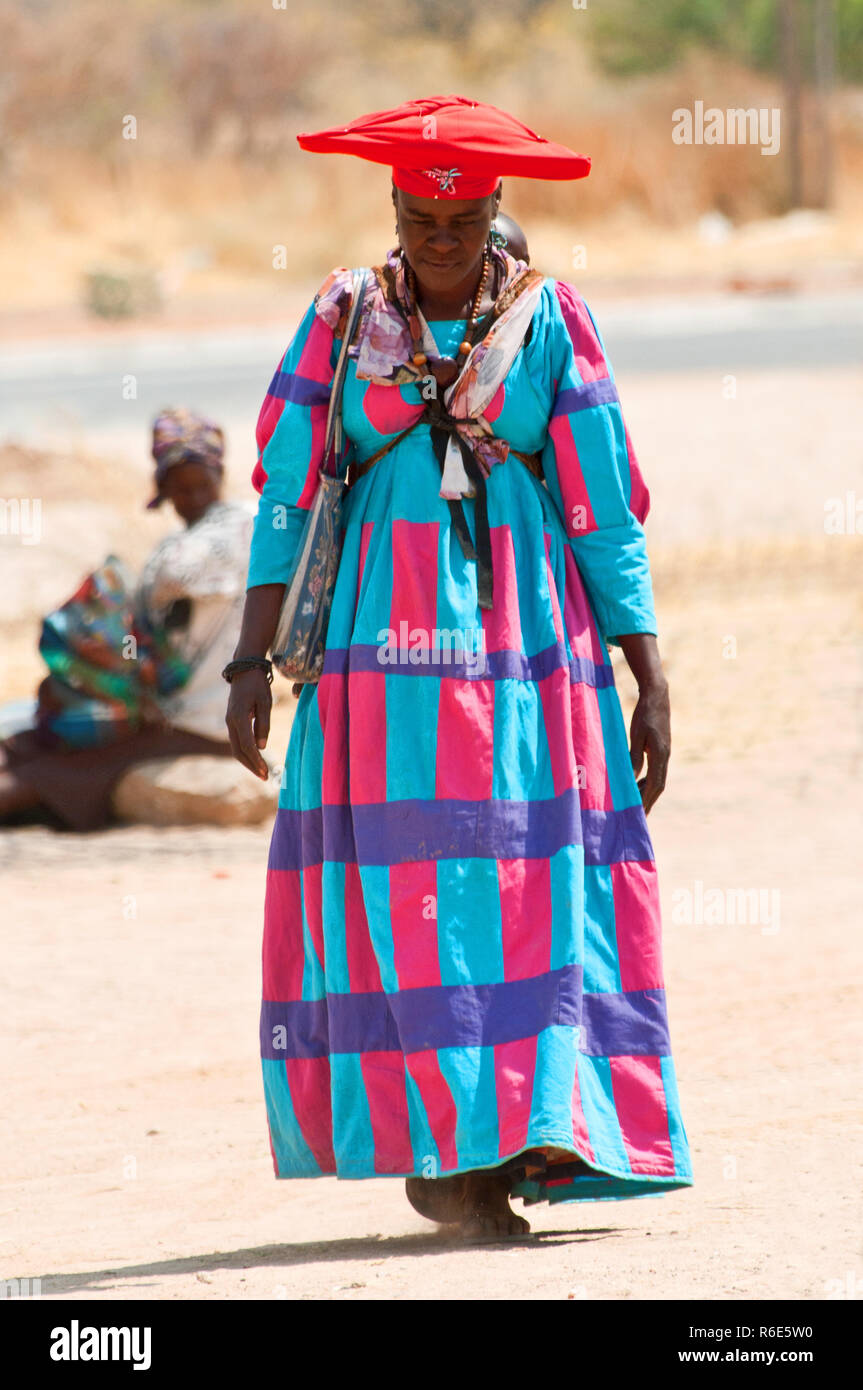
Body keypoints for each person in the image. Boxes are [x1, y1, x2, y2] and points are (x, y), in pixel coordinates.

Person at [225, 96, 692, 1240]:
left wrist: (648, 666)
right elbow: (286, 489)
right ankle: (449, 1156)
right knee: (409, 900)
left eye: (461, 218)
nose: (439, 238)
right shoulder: (340, 320)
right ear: (392, 209)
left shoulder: (548, 322)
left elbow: (601, 503)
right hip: (381, 664)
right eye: (418, 217)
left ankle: (530, 1130)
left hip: (530, 655)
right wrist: (248, 659)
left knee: (535, 885)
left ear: (495, 210)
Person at [0, 409, 252, 830]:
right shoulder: (187, 537)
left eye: (200, 486)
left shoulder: (240, 525)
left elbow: (175, 574)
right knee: (27, 738)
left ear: (219, 475)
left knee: (54, 772)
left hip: (200, 722)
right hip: (158, 711)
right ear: (163, 490)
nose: (191, 499)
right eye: (179, 491)